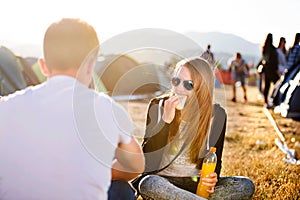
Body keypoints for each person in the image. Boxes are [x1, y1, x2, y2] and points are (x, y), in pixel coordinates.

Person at [0, 18, 145, 200]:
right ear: (91, 64)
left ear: (43, 66)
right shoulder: (108, 110)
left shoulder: (6, 106)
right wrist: (102, 172)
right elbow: (135, 166)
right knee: (122, 191)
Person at [137, 57, 255, 199]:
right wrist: (165, 121)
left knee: (245, 185)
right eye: (176, 81)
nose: (179, 88)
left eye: (188, 85)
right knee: (148, 183)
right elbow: (148, 163)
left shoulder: (216, 115)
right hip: (164, 181)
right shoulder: (158, 106)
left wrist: (212, 178)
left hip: (197, 186)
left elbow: (215, 159)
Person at [261, 33, 280, 106]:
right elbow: (275, 60)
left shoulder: (264, 48)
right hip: (272, 70)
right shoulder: (273, 49)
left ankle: (266, 100)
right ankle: (275, 98)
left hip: (266, 70)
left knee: (267, 85)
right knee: (277, 83)